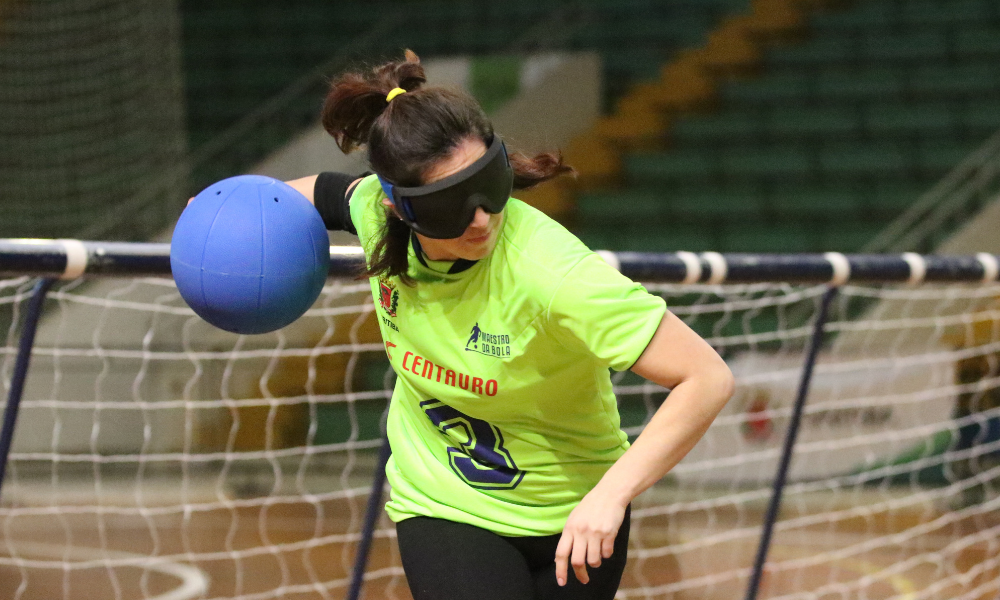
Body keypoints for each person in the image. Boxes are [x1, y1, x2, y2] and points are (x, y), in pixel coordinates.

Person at [288, 50, 734, 600]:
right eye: (450, 203)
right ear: (399, 206)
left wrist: (610, 497)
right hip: (445, 500)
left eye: (487, 185)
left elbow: (706, 377)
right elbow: (319, 193)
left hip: (576, 513)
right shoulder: (377, 218)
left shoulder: (553, 274)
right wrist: (226, 210)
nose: (480, 219)